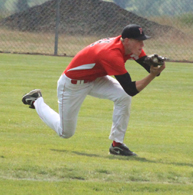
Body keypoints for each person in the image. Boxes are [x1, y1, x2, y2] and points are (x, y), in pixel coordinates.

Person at [22, 24, 166, 156]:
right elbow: (131, 89)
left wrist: (154, 64)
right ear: (127, 40)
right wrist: (152, 75)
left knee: (123, 97)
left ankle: (117, 145)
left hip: (95, 79)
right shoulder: (112, 54)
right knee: (65, 132)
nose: (142, 44)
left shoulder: (129, 47)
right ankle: (36, 101)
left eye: (143, 40)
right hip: (73, 84)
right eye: (139, 40)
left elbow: (149, 68)